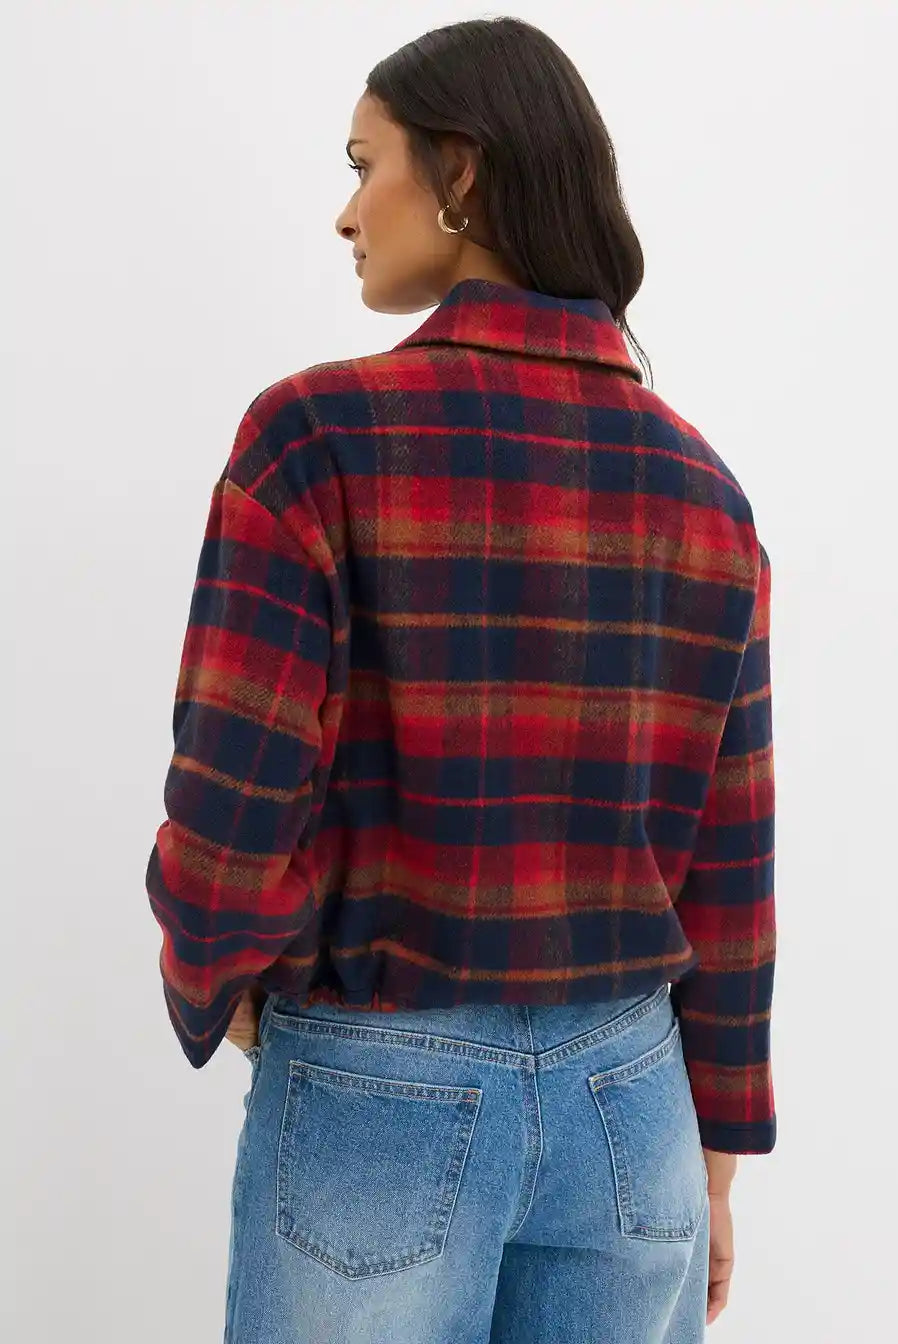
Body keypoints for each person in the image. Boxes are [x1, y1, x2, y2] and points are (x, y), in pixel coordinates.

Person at [145, 17, 776, 1344]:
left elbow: (231, 791)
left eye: (363, 162)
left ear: (462, 172)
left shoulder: (313, 439)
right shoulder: (705, 492)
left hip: (380, 1074)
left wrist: (225, 977)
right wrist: (713, 1147)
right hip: (637, 1108)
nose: (345, 210)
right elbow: (731, 861)